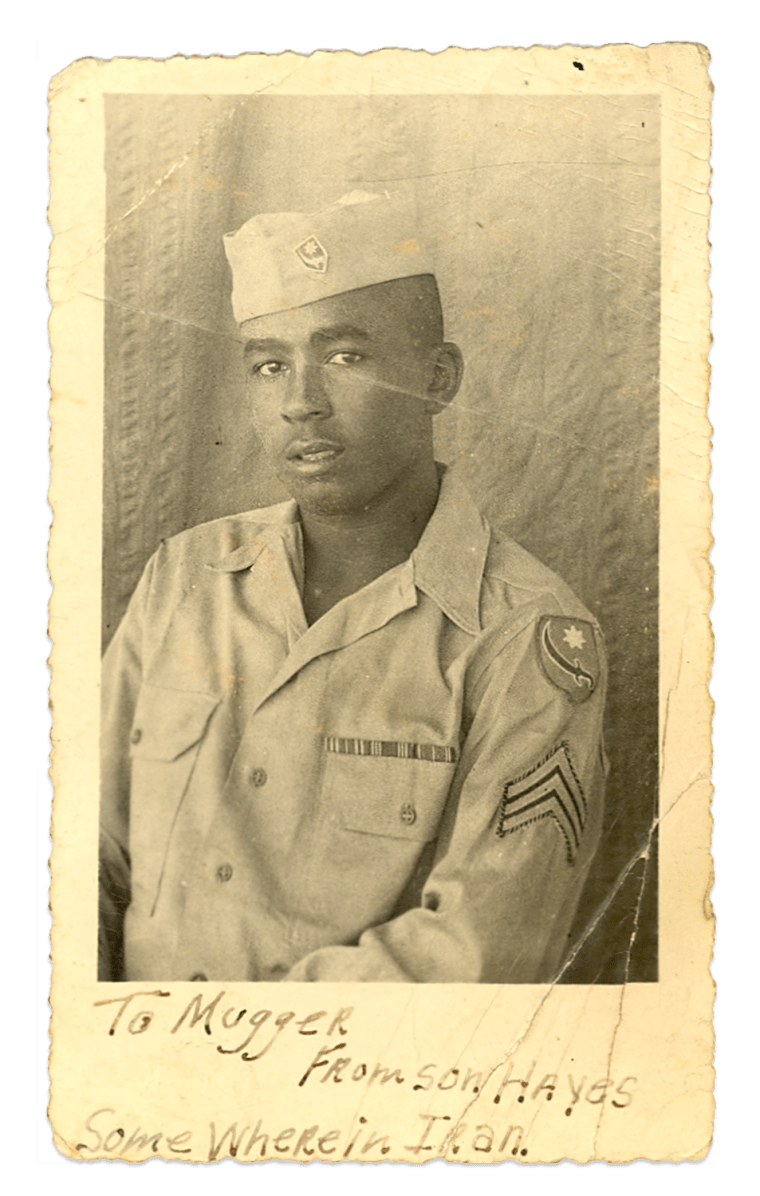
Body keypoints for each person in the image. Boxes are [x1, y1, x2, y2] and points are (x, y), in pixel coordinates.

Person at [99, 191, 607, 984]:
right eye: (270, 365)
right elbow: (72, 857)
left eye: (344, 357)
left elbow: (475, 959)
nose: (301, 402)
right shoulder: (185, 577)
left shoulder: (522, 635)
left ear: (437, 380)